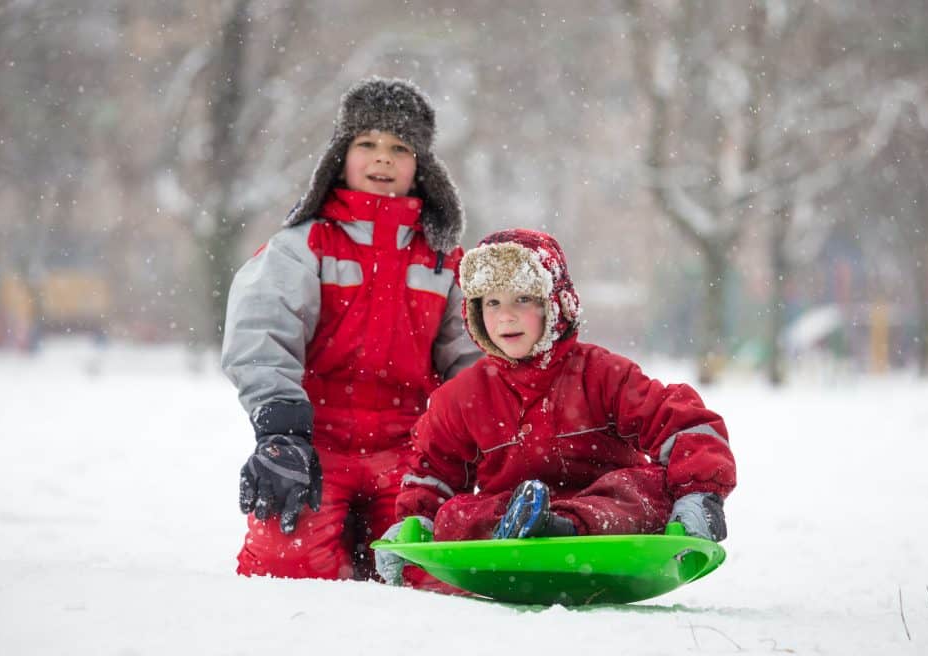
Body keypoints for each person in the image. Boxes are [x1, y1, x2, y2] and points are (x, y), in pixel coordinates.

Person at [221, 77, 481, 581]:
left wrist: (473, 441)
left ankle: (369, 540)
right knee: (283, 567)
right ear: (340, 157)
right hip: (314, 445)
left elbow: (471, 360)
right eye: (367, 144)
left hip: (411, 452)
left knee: (434, 572)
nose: (382, 158)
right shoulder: (303, 246)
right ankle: (340, 541)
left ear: (420, 168)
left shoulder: (446, 262)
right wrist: (279, 432)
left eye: (399, 148)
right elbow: (260, 334)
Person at [376, 229, 736, 585]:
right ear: (474, 311)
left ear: (554, 304)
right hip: (510, 509)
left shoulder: (601, 373)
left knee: (647, 489)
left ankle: (557, 525)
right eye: (492, 303)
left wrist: (699, 493)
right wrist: (415, 524)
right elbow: (433, 468)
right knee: (453, 515)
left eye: (522, 300)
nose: (506, 317)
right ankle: (522, 522)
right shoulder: (464, 396)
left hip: (604, 515)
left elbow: (682, 422)